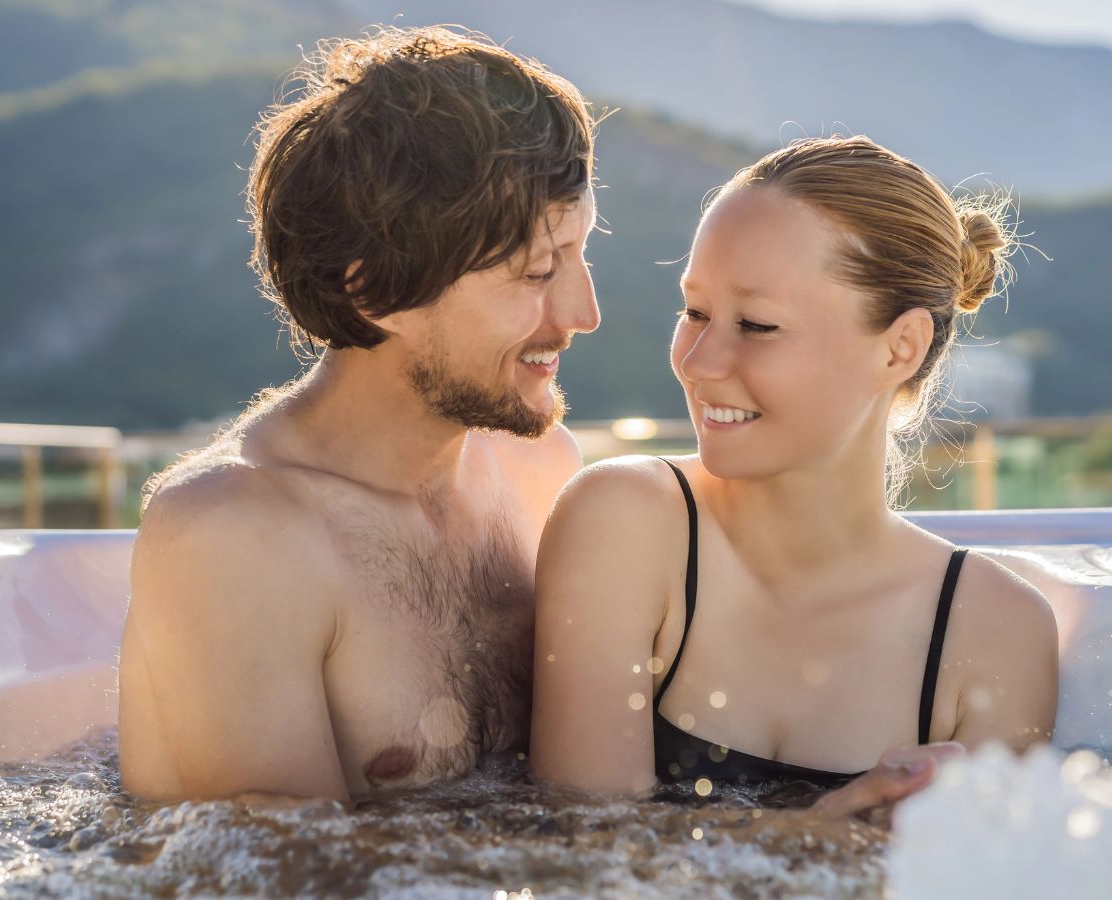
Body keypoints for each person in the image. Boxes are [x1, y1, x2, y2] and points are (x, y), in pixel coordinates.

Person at [118, 26, 600, 802]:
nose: (583, 312)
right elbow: (289, 878)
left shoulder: (543, 469)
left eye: (582, 252)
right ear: (376, 291)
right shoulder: (231, 537)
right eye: (538, 271)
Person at [529, 136, 1059, 814]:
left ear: (901, 348)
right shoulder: (624, 524)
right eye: (694, 311)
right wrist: (816, 842)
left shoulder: (996, 632)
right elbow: (578, 861)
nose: (699, 361)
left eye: (756, 324)